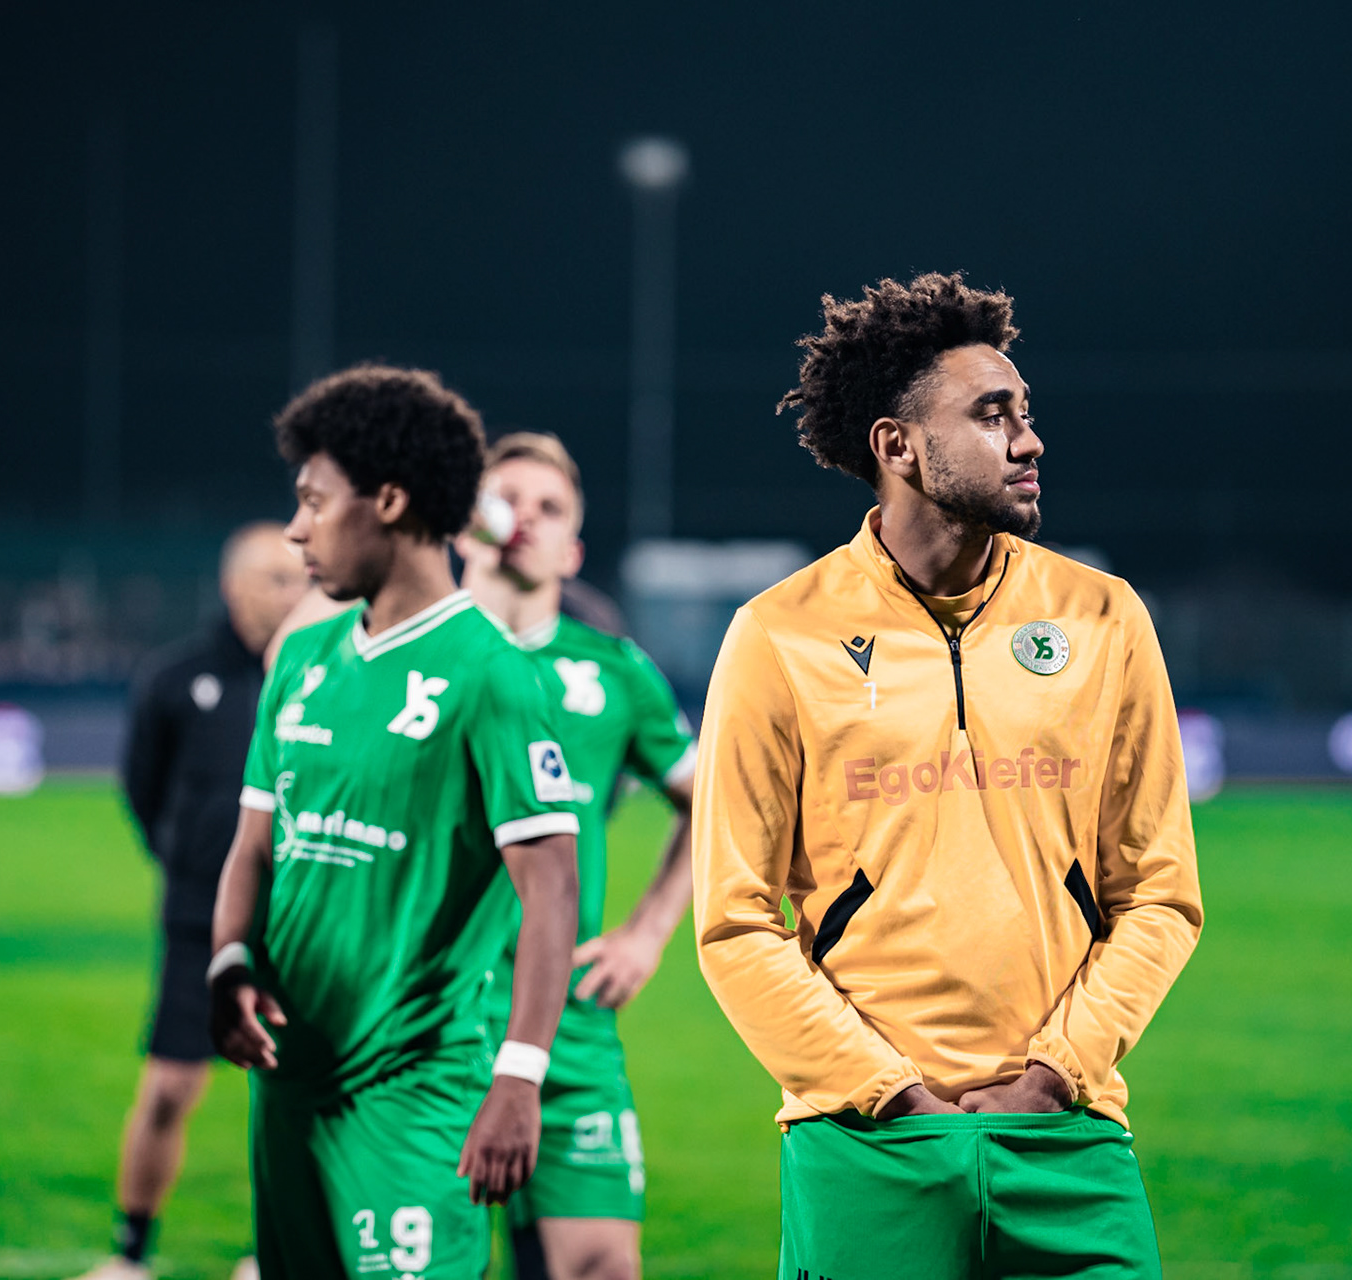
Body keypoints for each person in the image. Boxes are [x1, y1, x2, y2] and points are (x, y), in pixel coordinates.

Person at [692, 273, 1204, 1278]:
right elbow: (735, 917)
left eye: (1027, 413)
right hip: (866, 1141)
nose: (1029, 440)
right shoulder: (778, 635)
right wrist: (883, 1088)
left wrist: (1057, 1072)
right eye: (992, 414)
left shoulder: (1105, 617)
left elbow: (1160, 892)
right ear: (898, 445)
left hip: (1069, 1137)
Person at [207, 365, 582, 1280]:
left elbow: (552, 886)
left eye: (313, 502)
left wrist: (521, 1074)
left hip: (415, 1093)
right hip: (288, 1083)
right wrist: (227, 961)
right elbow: (256, 842)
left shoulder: (491, 674)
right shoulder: (301, 654)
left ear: (389, 499)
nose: (294, 530)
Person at [457, 433, 695, 1280]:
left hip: (570, 1029)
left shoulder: (615, 675)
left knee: (601, 1268)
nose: (525, 517)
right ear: (462, 527)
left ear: (573, 549)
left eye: (548, 507)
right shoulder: (408, 654)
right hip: (428, 1027)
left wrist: (647, 932)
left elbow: (715, 804)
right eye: (504, 498)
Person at [69, 523, 309, 1280]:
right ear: (236, 586)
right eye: (277, 577)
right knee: (170, 1088)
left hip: (301, 924)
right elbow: (142, 790)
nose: (296, 589)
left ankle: (276, 1252)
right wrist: (187, 862)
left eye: (300, 575)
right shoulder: (176, 678)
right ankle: (130, 1254)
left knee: (293, 1097)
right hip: (198, 921)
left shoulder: (321, 672)